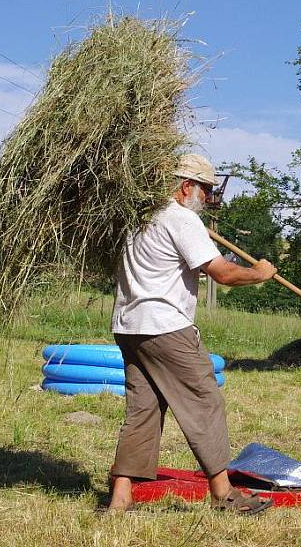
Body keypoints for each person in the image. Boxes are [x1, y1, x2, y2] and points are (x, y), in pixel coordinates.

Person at [107, 153, 277, 515]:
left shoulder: (140, 218)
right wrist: (258, 273)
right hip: (166, 327)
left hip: (129, 326)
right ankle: (223, 493)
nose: (208, 197)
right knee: (204, 399)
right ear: (186, 186)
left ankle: (120, 499)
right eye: (205, 189)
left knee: (143, 410)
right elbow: (222, 273)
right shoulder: (181, 219)